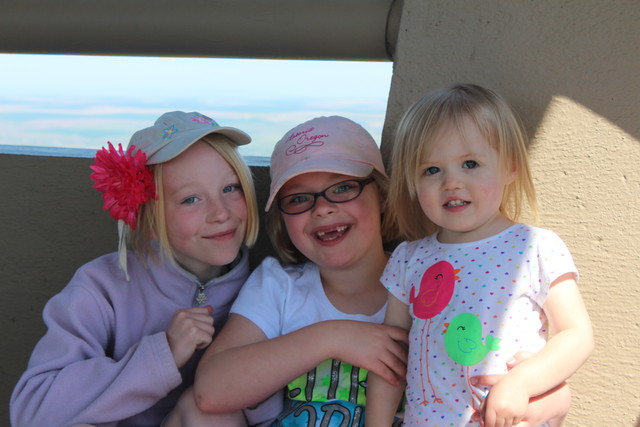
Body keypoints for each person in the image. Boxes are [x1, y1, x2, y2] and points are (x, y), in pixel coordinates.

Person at [9, 111, 277, 427]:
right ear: (147, 217)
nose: (220, 213)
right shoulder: (101, 289)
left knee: (212, 412)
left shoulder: (268, 291)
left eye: (230, 188)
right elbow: (33, 411)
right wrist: (162, 354)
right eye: (191, 199)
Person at [366, 84, 594, 427]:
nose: (451, 182)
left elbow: (575, 334)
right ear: (413, 182)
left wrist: (522, 381)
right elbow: (390, 359)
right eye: (431, 170)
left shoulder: (535, 247)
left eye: (470, 163)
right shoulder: (408, 259)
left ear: (510, 168)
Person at [181, 115, 410, 426]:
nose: (322, 208)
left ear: (382, 195)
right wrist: (330, 338)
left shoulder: (426, 280)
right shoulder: (279, 286)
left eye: (343, 188)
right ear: (283, 219)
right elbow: (210, 391)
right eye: (299, 199)